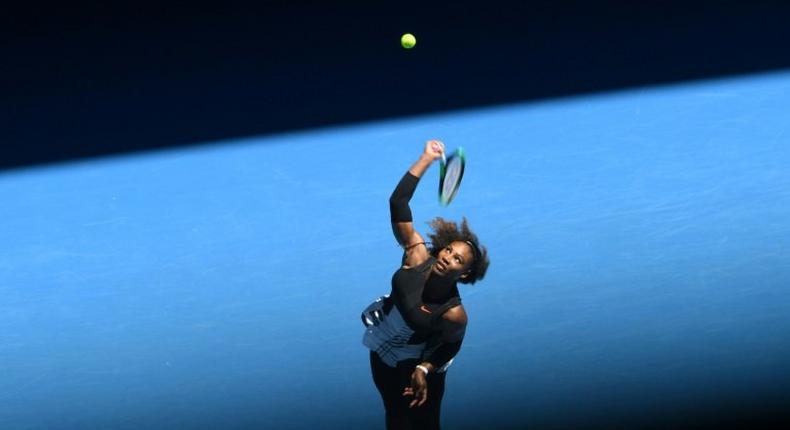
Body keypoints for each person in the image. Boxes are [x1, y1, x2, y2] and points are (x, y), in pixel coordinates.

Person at [362, 140, 490, 430]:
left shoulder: (453, 314)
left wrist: (424, 369)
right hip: (384, 337)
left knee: (425, 420)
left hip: (419, 355)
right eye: (448, 250)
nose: (448, 257)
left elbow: (449, 347)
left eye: (458, 259)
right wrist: (426, 158)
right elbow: (398, 203)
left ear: (465, 275)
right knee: (394, 412)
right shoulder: (416, 254)